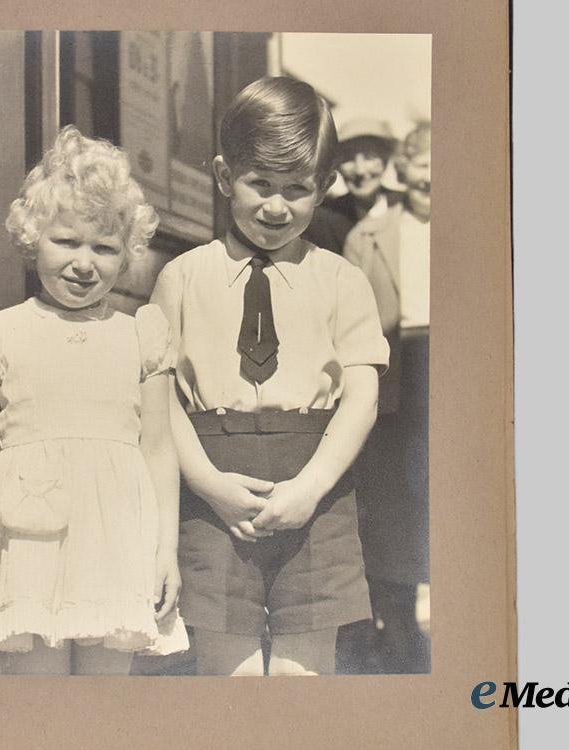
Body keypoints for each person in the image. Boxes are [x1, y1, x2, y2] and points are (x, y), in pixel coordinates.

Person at [0, 125, 188, 675]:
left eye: (104, 247)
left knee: (102, 692)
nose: (84, 263)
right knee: (34, 692)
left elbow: (159, 448)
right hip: (27, 538)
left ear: (127, 252)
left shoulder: (141, 336)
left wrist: (165, 549)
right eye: (66, 242)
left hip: (115, 540)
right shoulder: (1, 333)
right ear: (32, 236)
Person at [150, 77, 389, 676]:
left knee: (300, 672)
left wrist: (311, 488)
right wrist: (207, 483)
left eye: (297, 189)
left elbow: (362, 394)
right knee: (227, 671)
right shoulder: (180, 279)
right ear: (226, 176)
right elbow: (158, 400)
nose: (277, 207)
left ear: (324, 187)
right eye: (260, 184)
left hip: (317, 489)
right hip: (214, 493)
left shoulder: (342, 280)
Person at [340, 122, 431, 673]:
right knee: (395, 503)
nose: (432, 179)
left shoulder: (484, 218)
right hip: (400, 372)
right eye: (422, 165)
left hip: (461, 370)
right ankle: (399, 632)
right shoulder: (366, 236)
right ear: (405, 169)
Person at [302, 118, 405, 259]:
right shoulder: (323, 221)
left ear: (385, 161)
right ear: (336, 166)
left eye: (369, 157)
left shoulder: (405, 206)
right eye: (348, 159)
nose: (360, 171)